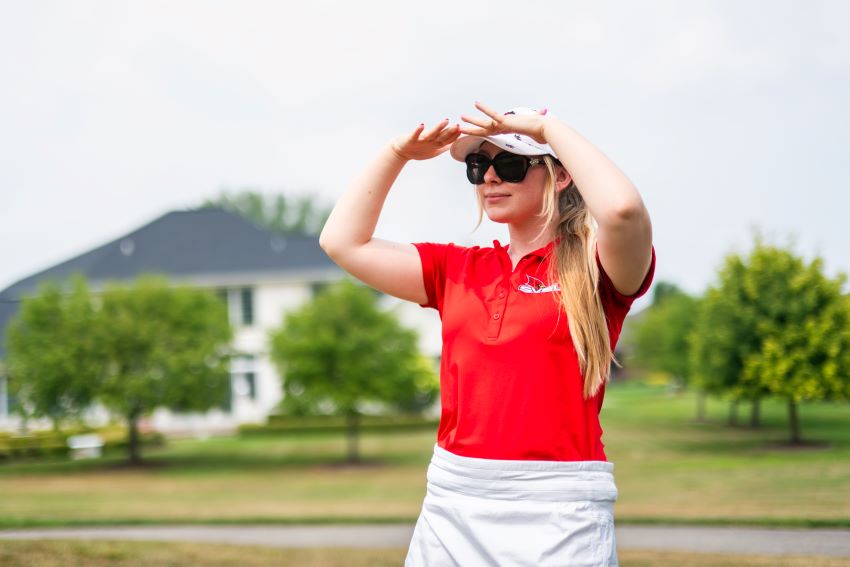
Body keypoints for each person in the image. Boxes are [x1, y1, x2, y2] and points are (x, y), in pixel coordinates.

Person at [319, 102, 655, 566]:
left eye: (510, 164)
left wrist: (546, 127)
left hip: (560, 507)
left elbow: (622, 210)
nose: (490, 179)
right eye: (479, 166)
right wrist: (397, 152)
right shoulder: (456, 269)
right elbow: (341, 242)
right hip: (454, 498)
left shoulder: (597, 269)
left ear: (559, 176)